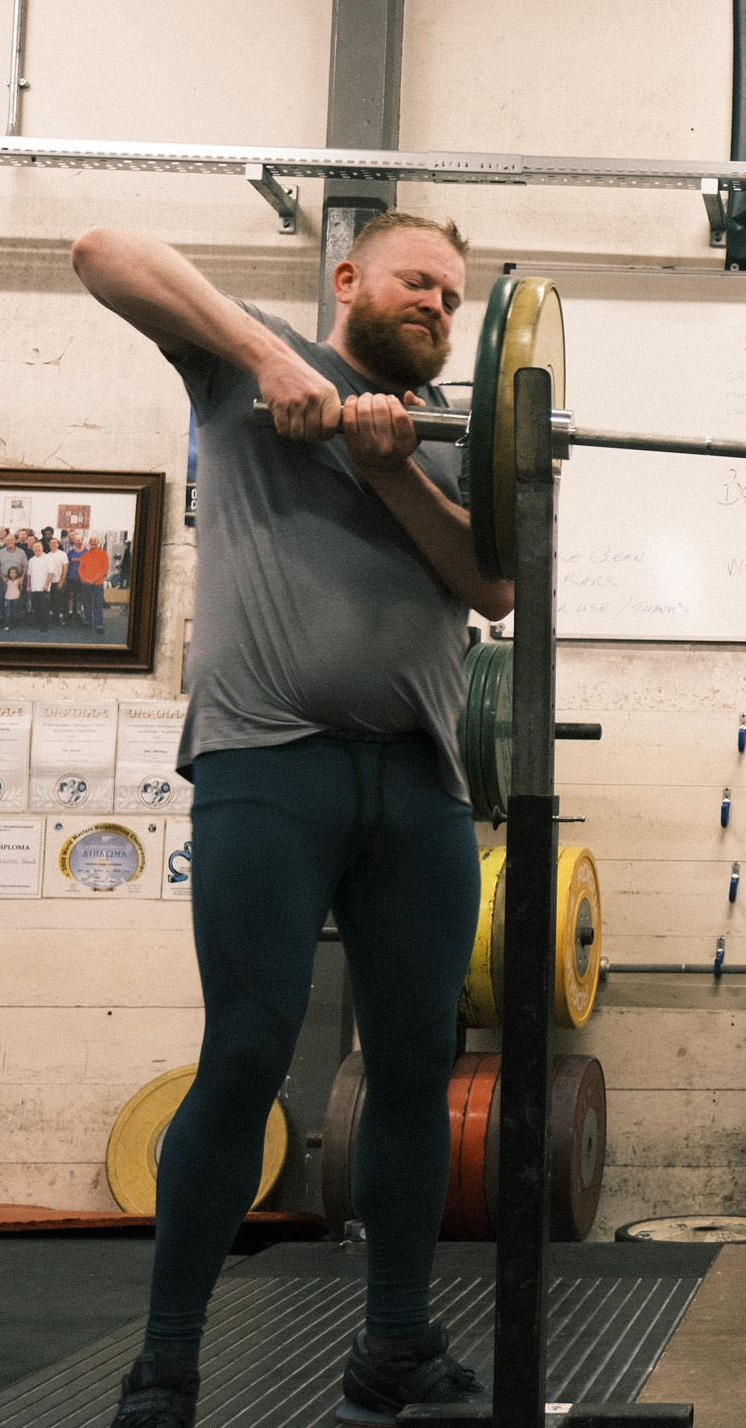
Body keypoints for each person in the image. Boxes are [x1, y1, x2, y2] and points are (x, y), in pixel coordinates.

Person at [72, 209, 512, 1428]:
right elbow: (104, 251)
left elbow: (492, 585)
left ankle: (395, 1345)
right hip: (269, 766)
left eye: (452, 296)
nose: (436, 304)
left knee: (420, 1068)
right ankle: (165, 1366)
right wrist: (277, 367)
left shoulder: (452, 432)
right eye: (418, 281)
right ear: (347, 278)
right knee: (251, 1049)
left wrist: (388, 464)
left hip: (421, 784)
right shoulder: (241, 360)